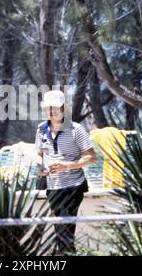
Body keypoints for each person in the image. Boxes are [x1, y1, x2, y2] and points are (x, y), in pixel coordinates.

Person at [35, 90, 98, 255]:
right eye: (48, 108)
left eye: (54, 108)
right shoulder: (41, 130)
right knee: (60, 228)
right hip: (52, 186)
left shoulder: (76, 129)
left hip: (73, 186)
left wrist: (67, 166)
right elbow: (39, 154)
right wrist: (40, 167)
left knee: (65, 229)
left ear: (63, 108)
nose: (51, 112)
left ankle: (64, 255)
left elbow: (92, 158)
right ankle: (66, 254)